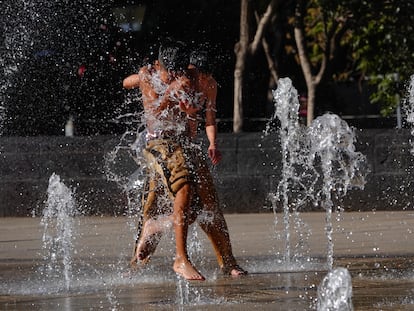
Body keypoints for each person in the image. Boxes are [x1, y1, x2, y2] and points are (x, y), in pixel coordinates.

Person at [123, 40, 246, 280]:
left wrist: (196, 120)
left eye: (181, 71)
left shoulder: (191, 76)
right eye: (171, 72)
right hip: (159, 146)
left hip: (184, 145)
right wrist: (163, 91)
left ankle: (228, 262)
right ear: (159, 66)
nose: (176, 76)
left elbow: (202, 113)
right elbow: (153, 109)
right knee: (159, 203)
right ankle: (139, 265)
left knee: (207, 206)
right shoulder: (150, 76)